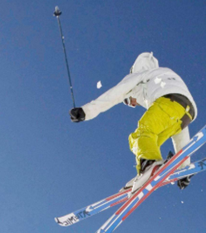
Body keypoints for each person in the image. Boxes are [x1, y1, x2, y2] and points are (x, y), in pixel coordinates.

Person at [69, 52, 197, 192]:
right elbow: (180, 130)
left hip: (168, 100)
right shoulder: (162, 76)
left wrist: (86, 111)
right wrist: (184, 167)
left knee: (140, 134)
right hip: (187, 111)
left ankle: (150, 166)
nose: (133, 104)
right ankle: (145, 171)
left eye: (128, 100)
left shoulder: (139, 77)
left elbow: (115, 94)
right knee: (150, 142)